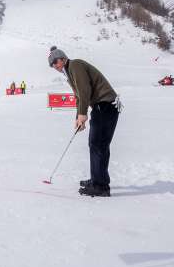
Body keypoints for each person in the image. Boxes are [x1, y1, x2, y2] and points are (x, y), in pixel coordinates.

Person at [48, 46, 120, 197]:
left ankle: (99, 186)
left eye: (55, 61)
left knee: (97, 144)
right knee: (99, 144)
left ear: (63, 58)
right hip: (104, 107)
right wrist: (78, 117)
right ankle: (98, 179)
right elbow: (79, 96)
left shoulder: (75, 65)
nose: (54, 66)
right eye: (51, 64)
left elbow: (84, 90)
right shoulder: (70, 71)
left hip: (105, 105)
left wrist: (83, 113)